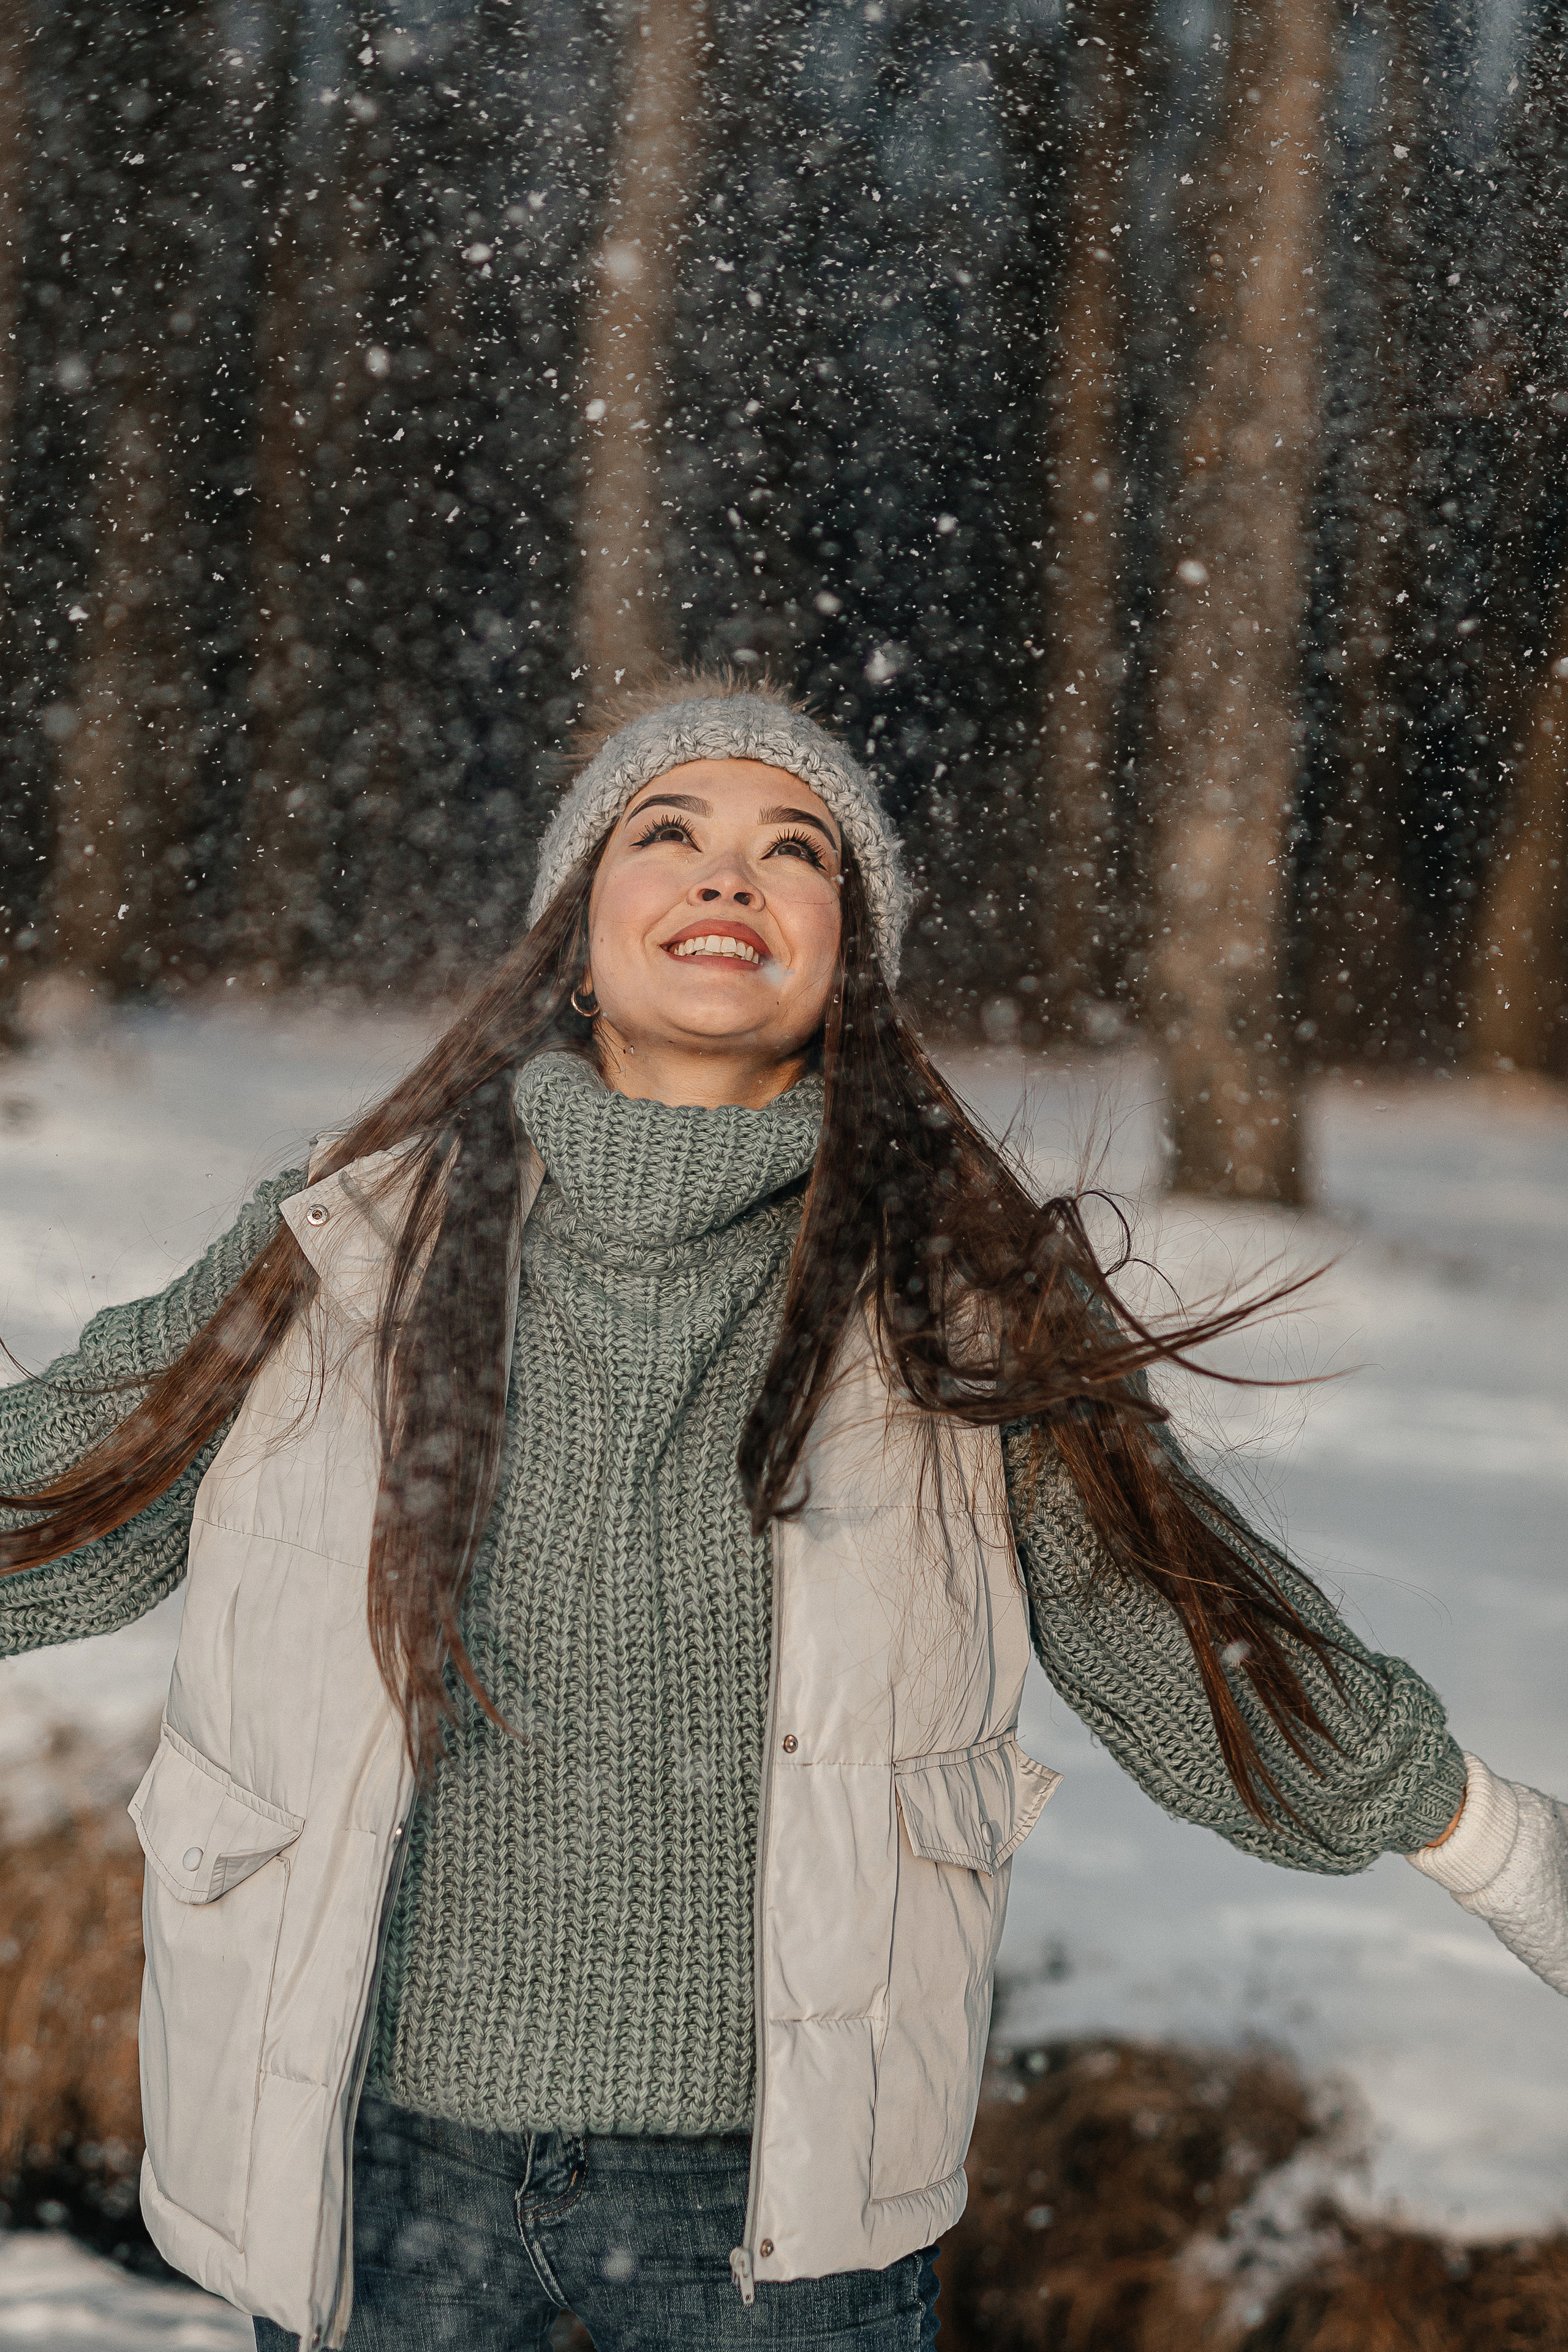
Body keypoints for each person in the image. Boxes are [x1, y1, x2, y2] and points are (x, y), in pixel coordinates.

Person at [1, 674, 1564, 2352]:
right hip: (377, 2172)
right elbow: (65, 1487)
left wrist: (1500, 1846)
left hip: (773, 2215)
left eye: (795, 850)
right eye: (667, 832)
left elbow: (1169, 1621)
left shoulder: (955, 1303)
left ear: (849, 963)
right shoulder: (346, 1244)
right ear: (574, 935)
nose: (728, 874)